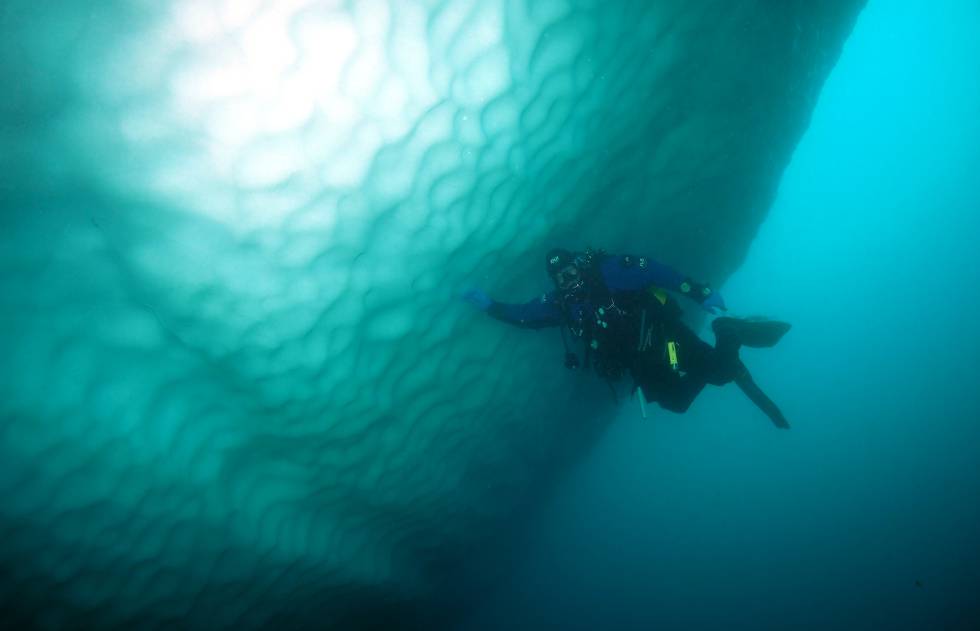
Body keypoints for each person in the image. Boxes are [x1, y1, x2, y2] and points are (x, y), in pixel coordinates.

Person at [463, 247, 792, 428]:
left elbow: (653, 270)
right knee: (677, 405)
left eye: (571, 271)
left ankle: (726, 330)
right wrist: (491, 307)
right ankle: (724, 348)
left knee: (720, 374)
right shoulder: (563, 305)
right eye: (561, 277)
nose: (569, 280)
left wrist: (698, 291)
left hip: (666, 338)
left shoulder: (608, 273)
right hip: (640, 364)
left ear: (579, 266)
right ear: (556, 282)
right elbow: (526, 315)